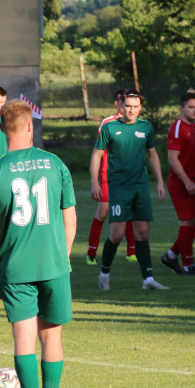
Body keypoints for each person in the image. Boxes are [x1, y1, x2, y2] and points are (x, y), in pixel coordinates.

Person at [0, 99, 77, 388]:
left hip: (15, 268)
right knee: (52, 337)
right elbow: (71, 219)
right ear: (31, 126)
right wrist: (61, 259)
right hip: (54, 266)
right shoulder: (55, 164)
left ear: (3, 129)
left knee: (24, 339)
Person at [89, 90, 168, 290]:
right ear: (121, 106)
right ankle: (104, 274)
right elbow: (97, 155)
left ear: (140, 108)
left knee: (142, 232)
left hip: (140, 186)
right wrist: (94, 182)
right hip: (119, 187)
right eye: (128, 106)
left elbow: (152, 154)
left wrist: (159, 180)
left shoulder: (146, 127)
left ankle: (147, 279)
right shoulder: (110, 127)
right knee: (117, 235)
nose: (132, 109)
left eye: (135, 106)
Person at [85, 89, 136, 265]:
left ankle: (132, 252)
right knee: (103, 212)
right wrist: (95, 180)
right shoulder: (107, 123)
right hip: (109, 177)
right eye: (125, 102)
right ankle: (91, 252)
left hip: (129, 178)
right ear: (118, 104)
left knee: (129, 213)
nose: (129, 107)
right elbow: (98, 151)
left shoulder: (136, 123)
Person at [160, 92, 195, 276]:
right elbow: (172, 159)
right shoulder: (177, 128)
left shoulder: (194, 128)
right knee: (186, 223)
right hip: (181, 183)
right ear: (181, 109)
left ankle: (171, 254)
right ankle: (188, 266)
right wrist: (187, 181)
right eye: (191, 107)